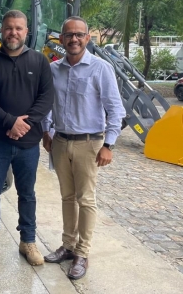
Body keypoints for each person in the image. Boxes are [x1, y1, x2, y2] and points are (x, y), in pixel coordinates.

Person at [41, 16, 125, 280]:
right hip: (60, 142)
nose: (74, 39)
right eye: (69, 35)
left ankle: (82, 252)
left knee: (85, 199)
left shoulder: (101, 69)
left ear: (88, 38)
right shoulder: (54, 69)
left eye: (79, 35)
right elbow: (47, 104)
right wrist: (46, 130)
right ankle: (67, 246)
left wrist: (108, 144)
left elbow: (116, 110)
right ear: (62, 39)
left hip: (90, 144)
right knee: (67, 197)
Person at [0, 10, 54, 266]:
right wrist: (10, 122)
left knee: (27, 194)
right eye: (9, 28)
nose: (13, 33)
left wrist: (24, 125)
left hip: (28, 144)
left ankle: (28, 241)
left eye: (18, 28)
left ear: (26, 31)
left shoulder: (39, 62)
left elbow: (46, 98)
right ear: (2, 30)